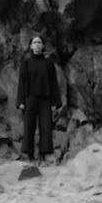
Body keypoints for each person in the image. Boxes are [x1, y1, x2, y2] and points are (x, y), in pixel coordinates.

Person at [16, 35, 62, 164]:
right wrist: (20, 101)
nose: (37, 44)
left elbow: (54, 83)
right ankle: (30, 155)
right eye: (34, 42)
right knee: (29, 127)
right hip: (30, 98)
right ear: (31, 46)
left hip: (45, 99)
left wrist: (55, 102)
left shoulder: (49, 63)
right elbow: (22, 83)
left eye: (39, 42)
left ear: (42, 46)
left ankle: (43, 155)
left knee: (46, 127)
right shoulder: (26, 63)